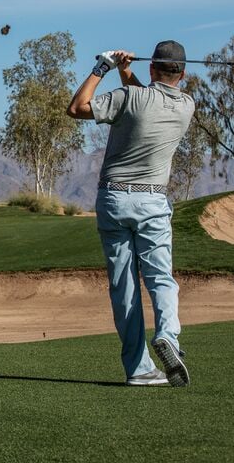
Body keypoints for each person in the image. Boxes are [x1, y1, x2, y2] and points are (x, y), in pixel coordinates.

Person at [66, 41, 195, 387]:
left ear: (152, 68)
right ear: (182, 73)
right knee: (161, 278)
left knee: (124, 288)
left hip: (113, 200)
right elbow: (148, 102)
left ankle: (138, 370)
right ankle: (168, 335)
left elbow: (77, 108)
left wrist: (103, 67)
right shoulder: (186, 106)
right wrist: (126, 73)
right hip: (153, 203)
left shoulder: (129, 100)